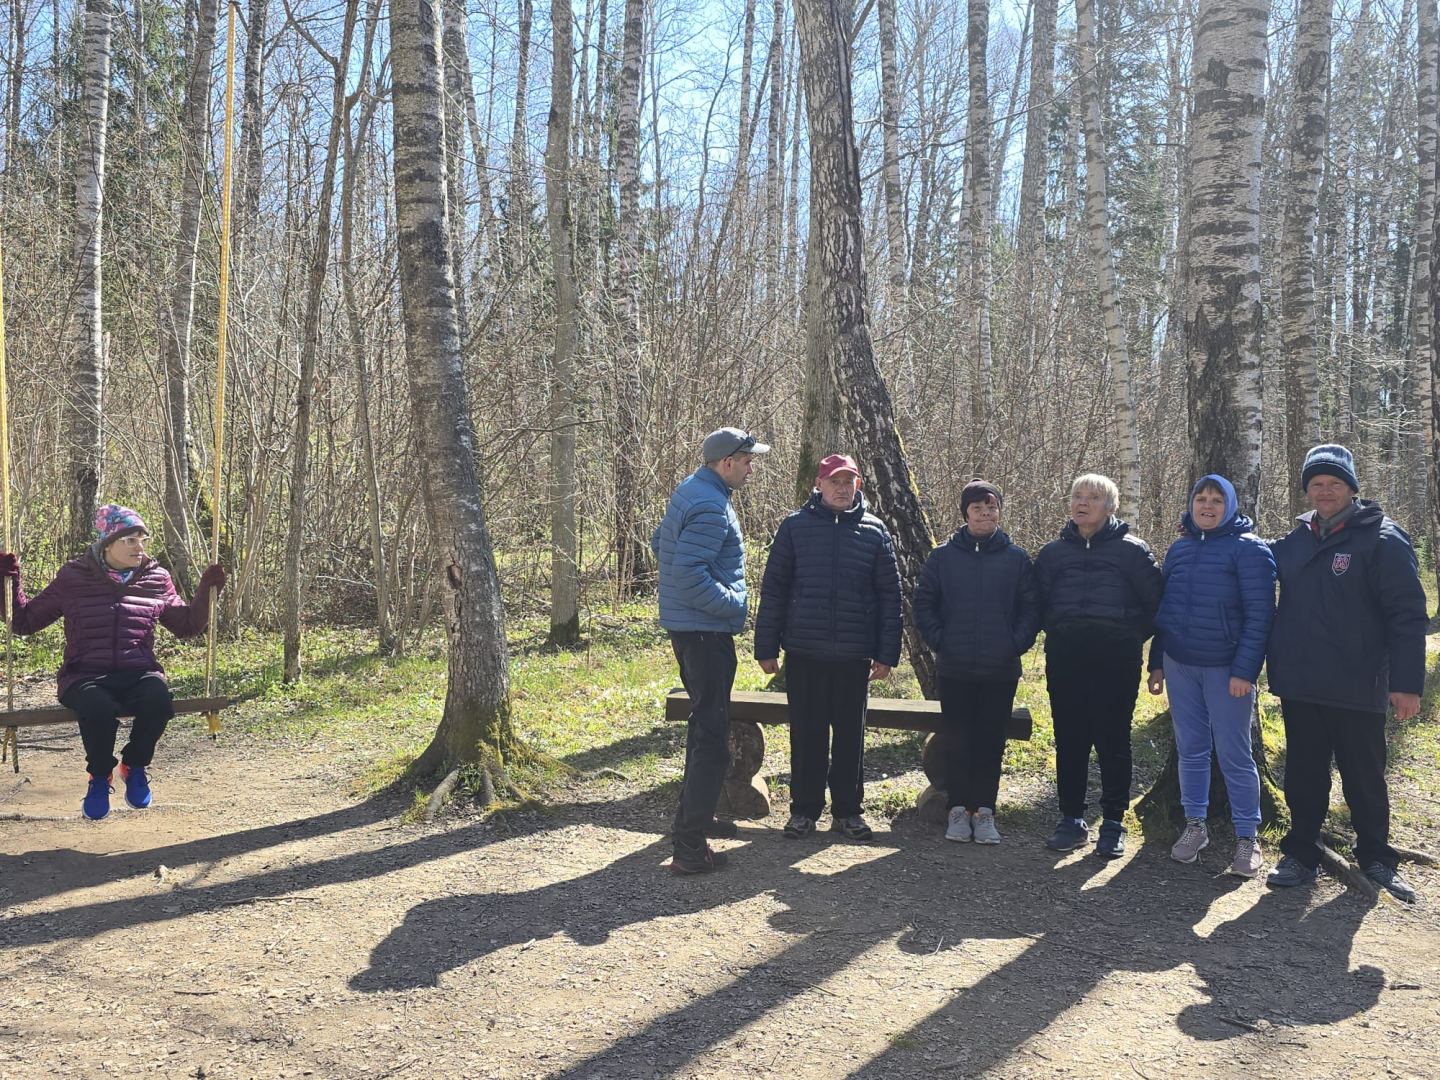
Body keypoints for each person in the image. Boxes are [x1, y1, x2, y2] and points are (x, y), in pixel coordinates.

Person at [1263, 444, 1427, 903]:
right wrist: (1206, 531)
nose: (1325, 491)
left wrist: (1407, 685)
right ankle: (1301, 853)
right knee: (1303, 775)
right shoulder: (1296, 541)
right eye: (1316, 484)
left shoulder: (1383, 538)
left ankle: (1376, 857)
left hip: (1359, 683)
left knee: (1364, 777)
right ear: (1307, 491)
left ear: (1352, 488)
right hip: (1301, 683)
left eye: (1334, 483)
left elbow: (1407, 615)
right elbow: (1254, 557)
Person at [0, 505, 226, 820]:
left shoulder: (156, 578)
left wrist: (207, 590)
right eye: (130, 540)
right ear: (108, 544)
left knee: (159, 702)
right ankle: (99, 776)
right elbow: (24, 622)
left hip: (139, 671)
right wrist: (7, 580)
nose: (139, 547)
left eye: (142, 540)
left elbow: (187, 626)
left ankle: (134, 765)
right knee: (97, 708)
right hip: (84, 674)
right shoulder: (73, 576)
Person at [753, 454, 903, 842]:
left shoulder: (874, 531)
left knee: (851, 738)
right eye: (834, 481)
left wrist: (887, 653)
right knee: (808, 736)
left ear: (858, 486)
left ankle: (848, 812)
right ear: (818, 485)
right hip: (805, 652)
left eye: (848, 481)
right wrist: (766, 647)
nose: (841, 488)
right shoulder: (795, 527)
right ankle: (803, 811)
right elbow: (774, 590)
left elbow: (890, 597)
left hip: (855, 656)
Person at [1146, 475, 1276, 877]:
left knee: (1235, 755)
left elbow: (1260, 617)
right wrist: (1157, 662)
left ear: (1230, 506)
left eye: (1216, 500)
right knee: (1191, 749)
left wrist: (1245, 671)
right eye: (1200, 498)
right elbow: (1166, 611)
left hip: (1226, 670)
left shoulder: (1249, 549)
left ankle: (1247, 837)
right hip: (1181, 665)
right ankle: (1195, 826)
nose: (1207, 505)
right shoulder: (1180, 548)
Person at [652, 427, 768, 874]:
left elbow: (661, 542)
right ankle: (689, 846)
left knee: (704, 726)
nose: (751, 469)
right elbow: (688, 574)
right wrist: (734, 604)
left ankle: (697, 819)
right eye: (747, 461)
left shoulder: (693, 489)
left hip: (690, 630)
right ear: (727, 463)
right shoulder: (710, 504)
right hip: (704, 633)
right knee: (714, 741)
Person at [1034, 473, 1163, 858]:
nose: (1082, 502)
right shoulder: (1052, 554)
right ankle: (1071, 819)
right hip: (1066, 657)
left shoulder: (1133, 552)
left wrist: (1127, 636)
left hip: (1116, 658)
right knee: (1069, 738)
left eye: (1092, 497)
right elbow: (1037, 604)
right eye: (1077, 496)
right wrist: (1062, 631)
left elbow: (1156, 606)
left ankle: (1113, 823)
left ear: (1110, 507)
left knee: (1113, 739)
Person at [914, 479, 1040, 845]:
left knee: (990, 743)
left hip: (1000, 670)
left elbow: (1031, 608)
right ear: (965, 513)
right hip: (955, 668)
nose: (985, 514)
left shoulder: (1016, 558)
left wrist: (1013, 644)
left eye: (991, 507)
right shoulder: (943, 557)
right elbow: (924, 604)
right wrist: (942, 641)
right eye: (977, 508)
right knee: (957, 740)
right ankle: (958, 810)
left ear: (999, 511)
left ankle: (984, 812)